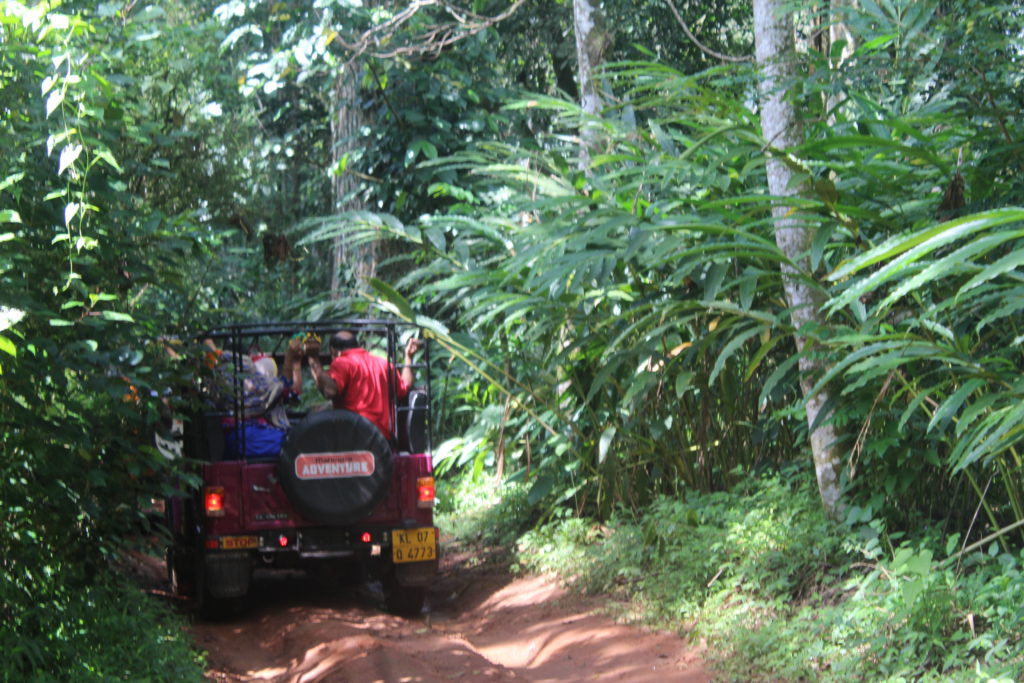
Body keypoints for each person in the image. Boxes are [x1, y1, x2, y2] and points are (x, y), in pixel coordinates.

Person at [305, 329, 421, 439]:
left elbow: (329, 391)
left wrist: (313, 358)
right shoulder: (384, 364)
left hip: (354, 438)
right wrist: (408, 357)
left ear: (333, 351)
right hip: (382, 439)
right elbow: (405, 386)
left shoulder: (341, 362)